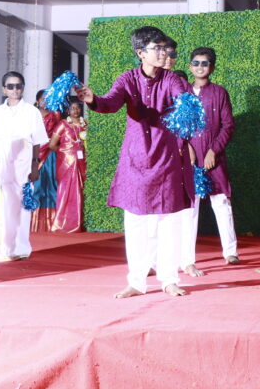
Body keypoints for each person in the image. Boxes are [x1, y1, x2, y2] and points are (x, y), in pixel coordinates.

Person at [77, 26, 192, 297]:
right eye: (157, 48)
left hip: (166, 158)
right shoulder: (127, 79)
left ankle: (169, 279)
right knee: (136, 222)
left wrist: (187, 106)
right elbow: (111, 102)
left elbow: (183, 100)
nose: (163, 53)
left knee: (168, 221)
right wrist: (93, 100)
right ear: (141, 53)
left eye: (164, 48)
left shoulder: (172, 79)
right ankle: (137, 281)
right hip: (135, 160)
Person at [178, 47, 238, 271]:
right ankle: (187, 259)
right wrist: (187, 148)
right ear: (190, 66)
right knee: (189, 208)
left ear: (211, 67)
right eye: (196, 63)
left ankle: (230, 252)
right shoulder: (182, 93)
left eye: (204, 63)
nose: (200, 67)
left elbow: (228, 125)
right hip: (189, 160)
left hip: (215, 159)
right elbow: (177, 125)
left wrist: (214, 150)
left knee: (221, 202)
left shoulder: (219, 93)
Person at [0, 71, 49, 262]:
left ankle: (19, 248)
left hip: (23, 165)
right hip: (0, 165)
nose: (15, 89)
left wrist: (35, 165)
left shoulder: (31, 112)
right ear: (4, 89)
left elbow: (37, 141)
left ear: (23, 88)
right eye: (10, 86)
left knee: (20, 207)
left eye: (18, 86)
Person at [47, 98, 87, 233]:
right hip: (66, 164)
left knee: (80, 192)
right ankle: (61, 224)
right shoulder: (63, 125)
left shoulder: (85, 125)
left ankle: (79, 223)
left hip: (82, 163)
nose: (76, 110)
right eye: (72, 108)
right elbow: (52, 145)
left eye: (78, 108)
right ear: (68, 111)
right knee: (66, 192)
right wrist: (65, 153)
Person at [31, 89, 61, 231]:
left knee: (52, 185)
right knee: (36, 186)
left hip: (50, 154)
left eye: (48, 99)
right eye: (43, 99)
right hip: (35, 153)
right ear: (37, 101)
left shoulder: (55, 115)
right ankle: (34, 223)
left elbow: (59, 134)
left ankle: (53, 223)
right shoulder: (31, 115)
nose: (45, 101)